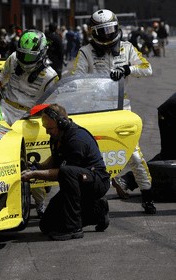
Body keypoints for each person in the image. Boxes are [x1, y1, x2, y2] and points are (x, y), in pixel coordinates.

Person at [71, 9, 156, 214]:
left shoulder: (127, 48)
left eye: (110, 29)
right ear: (93, 32)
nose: (107, 34)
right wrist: (92, 86)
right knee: (92, 157)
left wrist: (128, 69)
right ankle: (85, 200)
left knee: (135, 156)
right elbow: (75, 79)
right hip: (95, 110)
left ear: (116, 27)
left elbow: (147, 68)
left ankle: (147, 196)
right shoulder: (85, 52)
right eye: (102, 31)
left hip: (121, 109)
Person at [0, 29, 59, 217]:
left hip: (29, 117)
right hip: (3, 110)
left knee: (29, 160)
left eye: (29, 56)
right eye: (22, 53)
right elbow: (1, 79)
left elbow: (50, 104)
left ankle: (40, 202)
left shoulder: (50, 76)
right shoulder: (13, 58)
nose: (24, 58)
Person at [21, 104, 110, 241]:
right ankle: (97, 212)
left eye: (50, 128)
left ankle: (73, 229)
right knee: (46, 225)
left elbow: (62, 173)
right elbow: (55, 159)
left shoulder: (77, 140)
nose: (47, 132)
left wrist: (35, 175)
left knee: (67, 172)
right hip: (76, 183)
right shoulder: (57, 137)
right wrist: (37, 167)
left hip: (96, 182)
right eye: (45, 128)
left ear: (62, 123)